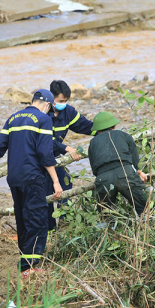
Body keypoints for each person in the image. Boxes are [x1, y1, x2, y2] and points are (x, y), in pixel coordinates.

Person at [0, 89, 63, 278]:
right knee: (37, 220)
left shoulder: (13, 118)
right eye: (50, 108)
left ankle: (24, 263)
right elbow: (45, 154)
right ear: (47, 105)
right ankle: (30, 267)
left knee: (22, 219)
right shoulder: (43, 119)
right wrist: (55, 181)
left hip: (14, 178)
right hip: (33, 177)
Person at [46, 80, 94, 232]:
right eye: (60, 101)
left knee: (65, 182)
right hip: (38, 160)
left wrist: (105, 129)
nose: (63, 104)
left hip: (56, 160)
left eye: (66, 101)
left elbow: (86, 126)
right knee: (45, 191)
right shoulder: (41, 113)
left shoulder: (68, 112)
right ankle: (49, 228)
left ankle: (65, 225)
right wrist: (67, 148)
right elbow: (45, 141)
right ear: (51, 98)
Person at [88, 111, 148, 217]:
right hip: (126, 173)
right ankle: (145, 228)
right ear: (115, 125)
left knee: (105, 214)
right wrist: (137, 171)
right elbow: (134, 160)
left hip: (103, 178)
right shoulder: (125, 136)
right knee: (143, 209)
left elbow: (94, 168)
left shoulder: (93, 142)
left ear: (97, 130)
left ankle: (108, 231)